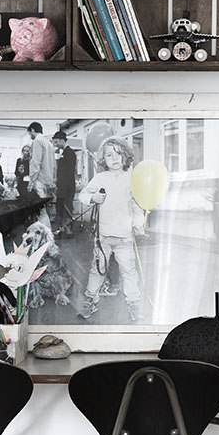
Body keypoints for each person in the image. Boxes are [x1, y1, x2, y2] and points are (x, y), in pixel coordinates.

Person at [77, 137, 144, 321]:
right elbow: (83, 195)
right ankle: (91, 300)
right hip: (103, 237)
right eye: (109, 155)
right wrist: (93, 198)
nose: (114, 158)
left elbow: (137, 205)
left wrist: (138, 223)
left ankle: (133, 303)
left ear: (126, 156)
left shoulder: (132, 178)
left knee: (129, 271)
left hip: (125, 237)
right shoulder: (100, 178)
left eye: (118, 153)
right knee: (97, 270)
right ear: (103, 159)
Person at [52, 130, 78, 237]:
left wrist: (62, 187)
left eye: (56, 142)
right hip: (62, 187)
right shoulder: (64, 153)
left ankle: (68, 231)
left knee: (67, 208)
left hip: (67, 187)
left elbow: (69, 172)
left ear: (63, 140)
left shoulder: (69, 153)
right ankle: (63, 230)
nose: (55, 145)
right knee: (61, 208)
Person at [27, 122, 56, 199]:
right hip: (48, 180)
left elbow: (36, 162)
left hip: (39, 180)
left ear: (32, 130)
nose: (30, 136)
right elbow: (53, 164)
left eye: (29, 133)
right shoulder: (49, 143)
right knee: (46, 204)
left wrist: (31, 182)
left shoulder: (37, 141)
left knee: (39, 204)